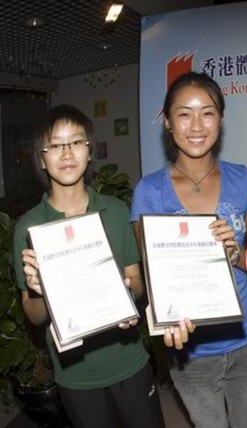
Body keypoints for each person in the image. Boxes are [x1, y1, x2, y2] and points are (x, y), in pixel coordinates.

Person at [130, 71, 247, 428]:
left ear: (221, 119)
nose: (196, 124)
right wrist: (162, 324)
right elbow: (153, 279)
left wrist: (234, 256)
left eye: (207, 112)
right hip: (189, 349)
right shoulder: (150, 192)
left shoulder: (245, 180)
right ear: (168, 123)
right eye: (184, 113)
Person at [14, 105, 164, 428]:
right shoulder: (29, 228)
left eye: (76, 142)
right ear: (42, 158)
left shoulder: (114, 210)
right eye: (55, 145)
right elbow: (34, 313)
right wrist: (42, 292)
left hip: (129, 361)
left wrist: (126, 292)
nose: (66, 153)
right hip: (75, 374)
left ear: (89, 150)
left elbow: (136, 282)